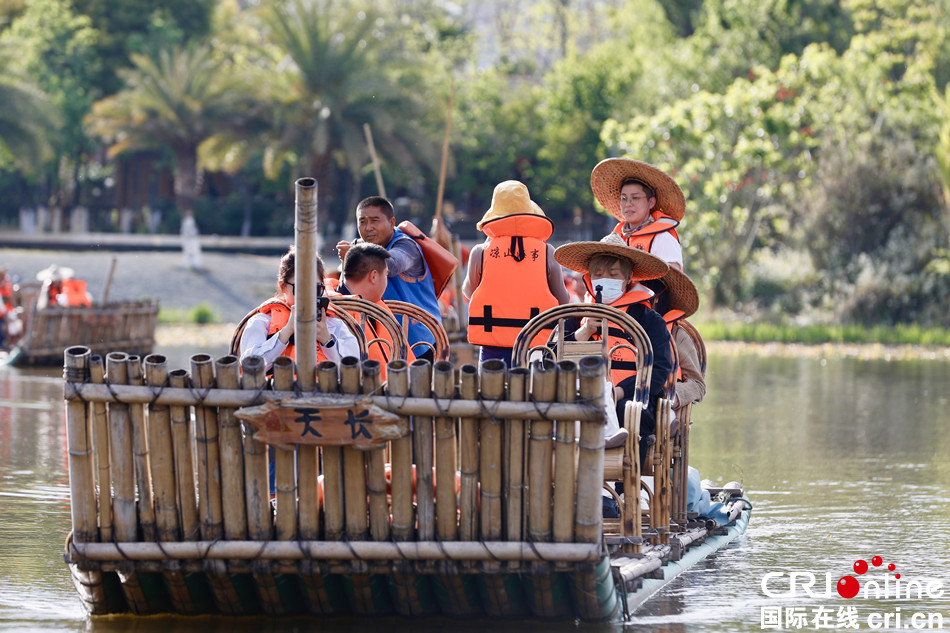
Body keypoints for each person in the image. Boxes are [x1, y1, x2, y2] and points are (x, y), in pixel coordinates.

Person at [554, 233, 673, 463]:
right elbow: (550, 358)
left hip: (630, 400)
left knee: (629, 413)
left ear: (628, 278)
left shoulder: (649, 320)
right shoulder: (574, 316)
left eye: (613, 274)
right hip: (579, 397)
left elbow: (658, 371)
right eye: (598, 274)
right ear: (589, 278)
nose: (604, 279)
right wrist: (584, 332)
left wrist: (618, 393)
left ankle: (624, 489)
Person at [462, 180, 570, 367]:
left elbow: (468, 293)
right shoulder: (547, 252)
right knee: (532, 395)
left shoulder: (480, 252)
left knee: (491, 395)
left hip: (492, 345)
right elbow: (563, 301)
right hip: (534, 346)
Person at [336, 196, 442, 362]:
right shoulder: (357, 247)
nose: (368, 228)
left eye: (374, 221)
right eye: (362, 222)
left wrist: (352, 256)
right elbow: (343, 289)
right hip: (383, 341)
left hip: (420, 341)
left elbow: (389, 266)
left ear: (392, 223)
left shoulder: (406, 246)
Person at [233, 246, 359, 372]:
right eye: (300, 288)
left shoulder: (335, 325)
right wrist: (286, 332)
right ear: (283, 287)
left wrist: (327, 340)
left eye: (315, 289)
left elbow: (353, 370)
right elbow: (250, 368)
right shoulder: (261, 322)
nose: (307, 296)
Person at [337, 242, 415, 381]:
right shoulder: (334, 317)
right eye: (385, 274)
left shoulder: (332, 306)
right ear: (373, 276)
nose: (386, 280)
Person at [590, 158, 686, 270]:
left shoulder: (663, 239)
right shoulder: (614, 238)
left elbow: (673, 283)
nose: (628, 204)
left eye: (635, 198)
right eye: (624, 198)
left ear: (651, 202)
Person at [641, 267, 705, 412]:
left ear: (656, 298)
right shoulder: (617, 327)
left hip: (660, 409)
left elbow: (698, 385)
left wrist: (671, 396)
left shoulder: (677, 336)